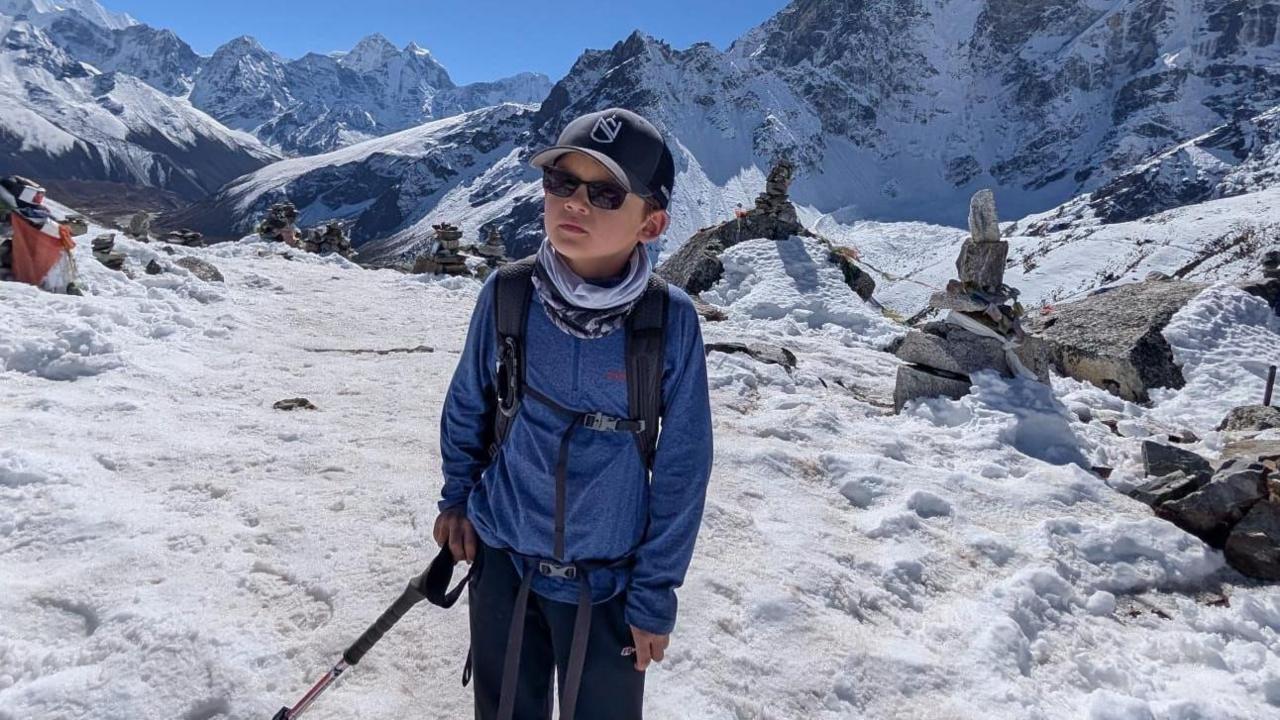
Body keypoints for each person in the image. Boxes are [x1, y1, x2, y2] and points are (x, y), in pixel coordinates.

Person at [434, 107, 714, 720]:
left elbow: (682, 467)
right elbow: (467, 407)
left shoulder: (667, 322)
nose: (574, 204)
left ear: (652, 223)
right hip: (503, 566)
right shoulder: (509, 294)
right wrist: (457, 502)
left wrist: (654, 594)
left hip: (610, 586)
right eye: (561, 183)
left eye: (605, 193)